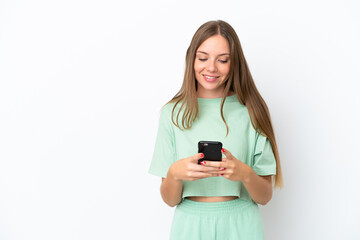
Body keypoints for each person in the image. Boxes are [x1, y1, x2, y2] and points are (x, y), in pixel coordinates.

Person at [148, 20, 283, 240]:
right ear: (191, 59)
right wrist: (174, 173)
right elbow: (170, 199)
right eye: (202, 58)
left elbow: (265, 196)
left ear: (234, 63)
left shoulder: (251, 111)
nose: (211, 67)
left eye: (222, 60)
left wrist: (244, 173)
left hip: (242, 224)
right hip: (189, 225)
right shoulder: (171, 113)